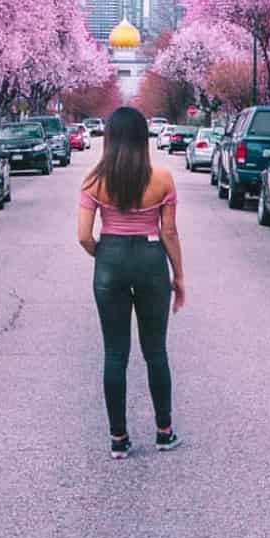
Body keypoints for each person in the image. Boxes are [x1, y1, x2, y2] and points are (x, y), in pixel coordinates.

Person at [76, 105, 185, 458]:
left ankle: (119, 439)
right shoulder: (163, 179)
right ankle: (164, 432)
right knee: (156, 352)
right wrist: (178, 275)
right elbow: (168, 230)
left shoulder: (94, 180)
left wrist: (105, 257)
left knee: (114, 353)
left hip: (110, 258)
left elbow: (82, 236)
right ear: (143, 138)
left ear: (109, 138)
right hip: (152, 260)